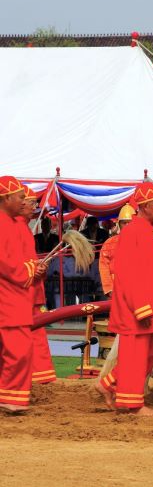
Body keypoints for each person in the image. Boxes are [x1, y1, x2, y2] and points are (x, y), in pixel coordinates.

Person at [95, 182, 153, 415]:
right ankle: (131, 404)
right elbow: (127, 273)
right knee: (135, 353)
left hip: (149, 304)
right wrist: (141, 307)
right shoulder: (133, 231)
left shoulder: (145, 229)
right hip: (137, 307)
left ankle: (108, 384)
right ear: (146, 206)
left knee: (148, 353)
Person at [0, 176, 47, 413]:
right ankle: (10, 398)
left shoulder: (10, 223)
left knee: (15, 349)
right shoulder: (3, 223)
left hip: (14, 295)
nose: (24, 202)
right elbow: (5, 263)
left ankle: (9, 396)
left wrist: (33, 270)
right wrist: (29, 270)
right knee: (19, 349)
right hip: (8, 297)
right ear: (6, 198)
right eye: (20, 197)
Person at [18, 186, 56, 385]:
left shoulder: (23, 227)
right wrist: (34, 269)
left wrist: (37, 268)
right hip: (21, 290)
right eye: (32, 202)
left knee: (37, 334)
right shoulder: (15, 227)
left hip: (31, 288)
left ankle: (41, 376)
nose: (34, 207)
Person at [98, 204, 135, 297]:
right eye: (124, 223)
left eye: (129, 222)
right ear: (119, 224)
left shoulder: (143, 240)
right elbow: (104, 267)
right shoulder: (109, 243)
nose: (127, 225)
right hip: (116, 289)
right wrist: (109, 289)